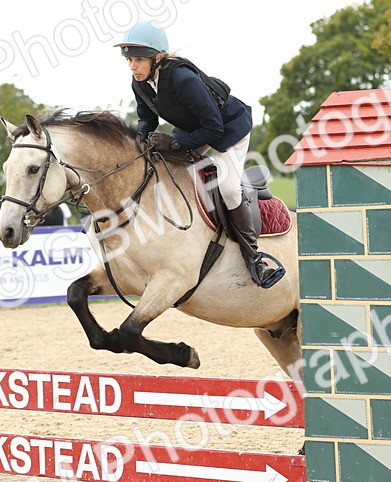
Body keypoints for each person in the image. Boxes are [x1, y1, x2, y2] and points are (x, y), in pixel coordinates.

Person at [115, 21, 284, 288]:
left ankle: (254, 257)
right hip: (195, 128)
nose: (132, 66)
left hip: (228, 129)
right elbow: (146, 120)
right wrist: (138, 139)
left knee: (228, 189)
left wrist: (176, 145)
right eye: (129, 60)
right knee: (162, 166)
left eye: (138, 60)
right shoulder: (141, 83)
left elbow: (214, 127)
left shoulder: (183, 80)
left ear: (157, 58)